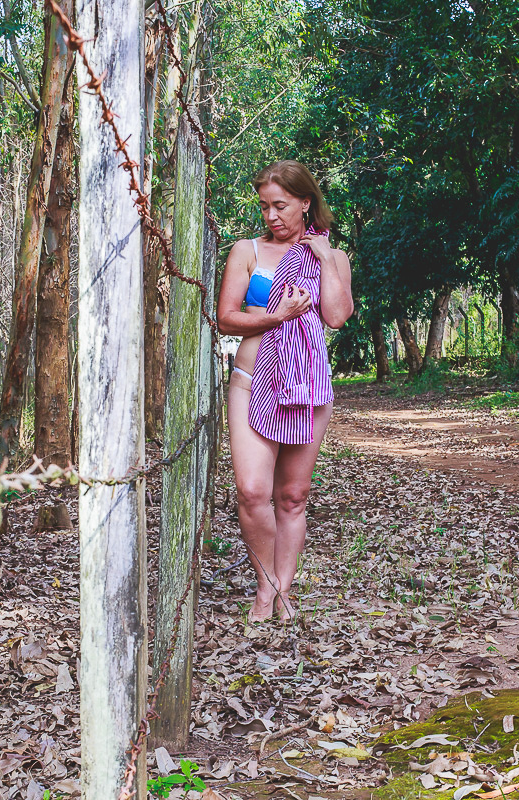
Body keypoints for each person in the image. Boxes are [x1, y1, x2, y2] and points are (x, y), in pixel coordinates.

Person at [216, 160, 354, 622]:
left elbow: (336, 316)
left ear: (305, 203)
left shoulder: (332, 257)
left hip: (308, 388)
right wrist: (276, 316)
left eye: (281, 206)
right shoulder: (248, 251)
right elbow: (227, 317)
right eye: (265, 207)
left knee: (293, 495)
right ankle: (266, 586)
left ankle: (282, 595)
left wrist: (323, 257)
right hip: (252, 379)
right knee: (253, 491)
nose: (271, 216)